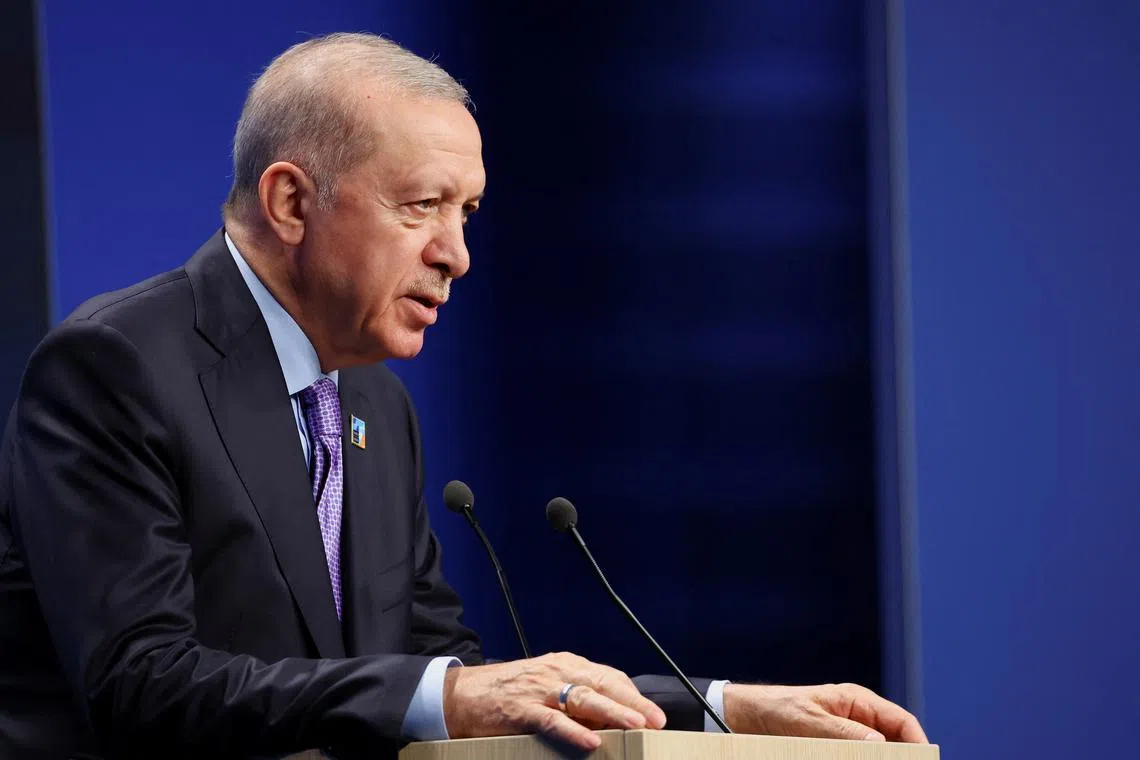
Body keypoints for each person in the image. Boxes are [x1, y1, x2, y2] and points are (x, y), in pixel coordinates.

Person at [0, 33, 927, 759]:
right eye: (421, 207)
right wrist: (446, 696)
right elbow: (141, 686)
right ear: (290, 204)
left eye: (466, 212)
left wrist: (722, 709)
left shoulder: (373, 406)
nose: (457, 253)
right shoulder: (114, 368)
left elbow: (470, 686)